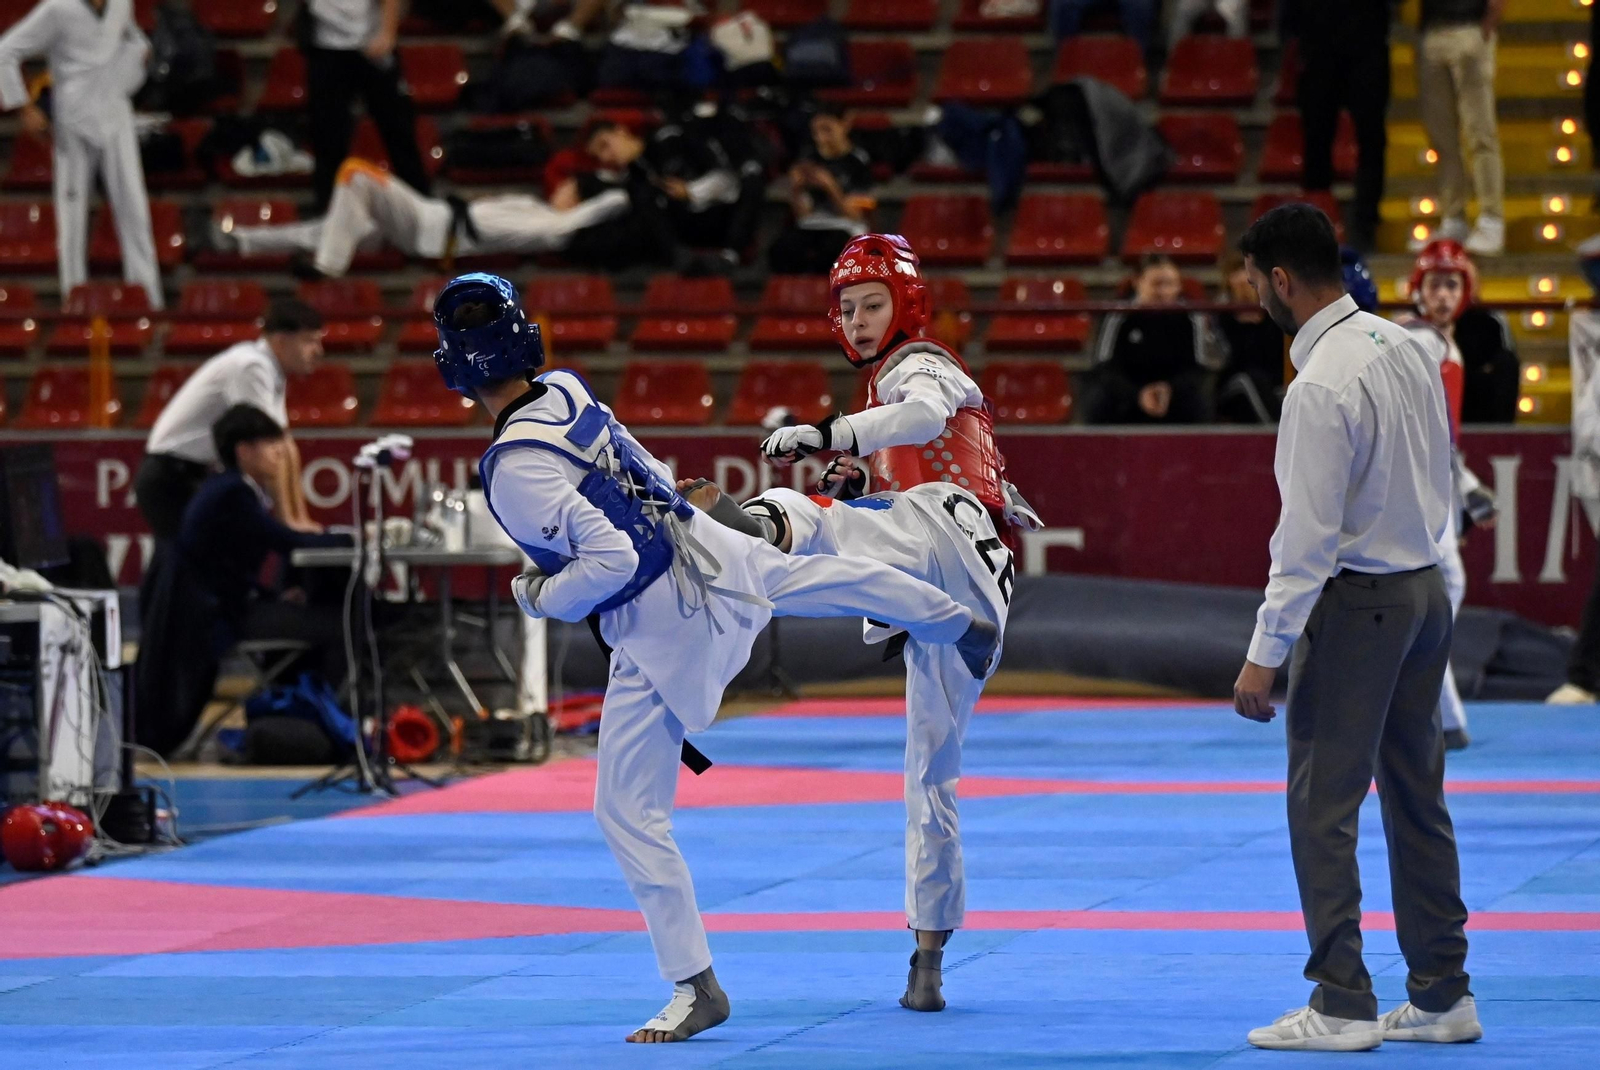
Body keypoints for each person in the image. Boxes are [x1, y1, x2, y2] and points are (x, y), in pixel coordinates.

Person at [436, 272, 1000, 1043]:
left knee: (626, 811)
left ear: (455, 367)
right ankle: (950, 619)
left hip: (661, 615)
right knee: (814, 575)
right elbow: (646, 474)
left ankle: (694, 985)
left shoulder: (512, 466)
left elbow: (610, 561)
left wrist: (540, 596)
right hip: (702, 545)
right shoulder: (564, 389)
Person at [1231, 203, 1479, 1051]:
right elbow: (1438, 473)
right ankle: (1443, 992)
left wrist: (1263, 654)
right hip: (1422, 592)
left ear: (1280, 279)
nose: (1254, 300)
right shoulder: (1404, 346)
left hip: (1360, 605)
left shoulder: (1320, 385)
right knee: (1418, 798)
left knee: (1322, 808)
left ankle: (1341, 1003)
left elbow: (1304, 541)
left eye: (1253, 284)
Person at [674, 473, 1017, 1013]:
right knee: (932, 778)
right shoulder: (990, 489)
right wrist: (860, 475)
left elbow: (908, 433)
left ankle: (761, 525)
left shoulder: (930, 440)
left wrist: (831, 435)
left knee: (818, 527)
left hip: (928, 518)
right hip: (984, 591)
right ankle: (928, 968)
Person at [757, 233, 1039, 542]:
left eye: (873, 306)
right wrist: (857, 492)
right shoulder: (889, 382)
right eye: (848, 311)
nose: (857, 321)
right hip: (941, 537)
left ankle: (737, 539)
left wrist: (823, 434)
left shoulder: (922, 362)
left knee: (790, 512)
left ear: (910, 305)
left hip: (955, 531)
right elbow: (913, 475)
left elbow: (927, 415)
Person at [135, 405, 351, 756]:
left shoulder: (229, 488)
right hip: (218, 618)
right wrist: (353, 540)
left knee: (317, 616)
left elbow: (227, 567)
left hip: (223, 606)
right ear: (244, 450)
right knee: (341, 624)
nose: (280, 453)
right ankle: (335, 726)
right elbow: (286, 541)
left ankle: (312, 717)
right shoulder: (232, 493)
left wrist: (270, 595)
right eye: (270, 444)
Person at [1393, 239, 1499, 750]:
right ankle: (1441, 717)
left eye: (1452, 284)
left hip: (1436, 483)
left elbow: (1444, 437)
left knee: (1437, 598)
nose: (1442, 294)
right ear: (1418, 289)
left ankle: (1441, 715)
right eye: (1434, 284)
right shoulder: (1417, 339)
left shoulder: (1445, 346)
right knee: (1438, 596)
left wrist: (1466, 486)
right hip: (1419, 488)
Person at [0, 0, 163, 309]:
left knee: (134, 210)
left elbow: (134, 37)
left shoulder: (121, 3)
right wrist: (23, 107)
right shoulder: (57, 9)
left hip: (116, 115)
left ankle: (149, 301)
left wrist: (140, 54)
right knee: (71, 218)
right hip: (72, 121)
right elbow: (5, 51)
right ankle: (72, 300)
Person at [219, 158, 630, 278]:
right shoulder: (535, 208)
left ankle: (328, 266)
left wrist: (623, 193)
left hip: (435, 227)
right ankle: (244, 241)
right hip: (434, 220)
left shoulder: (554, 226)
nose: (561, 186)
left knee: (355, 174)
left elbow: (589, 212)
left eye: (570, 187)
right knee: (331, 227)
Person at [138, 299, 326, 541]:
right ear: (281, 341)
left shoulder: (271, 370)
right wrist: (287, 522)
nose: (318, 351)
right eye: (309, 341)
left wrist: (299, 519)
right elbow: (267, 446)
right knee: (190, 560)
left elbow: (284, 445)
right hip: (171, 478)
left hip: (189, 475)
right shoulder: (251, 367)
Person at [585, 110, 767, 271]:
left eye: (605, 145)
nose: (606, 157)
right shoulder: (633, 178)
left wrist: (691, 191)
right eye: (599, 156)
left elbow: (728, 178)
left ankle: (730, 256)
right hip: (684, 229)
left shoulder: (671, 138)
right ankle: (679, 258)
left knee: (752, 179)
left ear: (621, 131)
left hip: (720, 213)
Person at [301, 0, 431, 213]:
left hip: (372, 43)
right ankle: (328, 211)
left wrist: (388, 33)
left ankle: (422, 208)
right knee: (327, 138)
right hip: (325, 47)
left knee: (398, 130)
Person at [1288, 0, 1391, 252]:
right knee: (1316, 140)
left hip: (1367, 44)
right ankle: (1314, 228)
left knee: (1371, 139)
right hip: (1318, 45)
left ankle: (1366, 224)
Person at [1081, 254, 1212, 425]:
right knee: (1099, 399)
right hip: (1128, 391)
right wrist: (1137, 395)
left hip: (1173, 393)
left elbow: (1198, 367)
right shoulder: (1118, 314)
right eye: (1156, 284)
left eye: (1170, 284)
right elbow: (1104, 365)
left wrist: (1169, 390)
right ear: (1137, 282)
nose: (1163, 291)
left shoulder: (1192, 316)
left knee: (1199, 402)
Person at [1418, 0, 1505, 255]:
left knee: (1480, 132)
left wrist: (1489, 21)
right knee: (1442, 137)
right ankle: (1453, 216)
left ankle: (1491, 217)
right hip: (1432, 29)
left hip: (1470, 26)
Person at [767, 104, 875, 276]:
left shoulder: (858, 162)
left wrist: (830, 187)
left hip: (846, 226)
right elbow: (803, 213)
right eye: (816, 132)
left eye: (827, 130)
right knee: (782, 249)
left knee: (832, 250)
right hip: (812, 224)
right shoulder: (809, 160)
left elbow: (856, 214)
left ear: (844, 125)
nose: (820, 138)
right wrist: (795, 189)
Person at [1214, 252, 1286, 423]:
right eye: (1238, 275)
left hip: (1272, 383)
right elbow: (1227, 361)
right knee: (1250, 380)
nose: (1245, 282)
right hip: (1234, 383)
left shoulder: (1274, 313)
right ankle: (1274, 432)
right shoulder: (1221, 315)